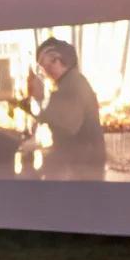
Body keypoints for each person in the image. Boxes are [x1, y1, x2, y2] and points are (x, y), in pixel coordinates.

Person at [24, 37, 106, 179]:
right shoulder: (69, 82)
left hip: (82, 167)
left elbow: (64, 125)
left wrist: (40, 99)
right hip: (81, 164)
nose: (45, 71)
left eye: (46, 64)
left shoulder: (72, 85)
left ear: (59, 60)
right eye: (42, 66)